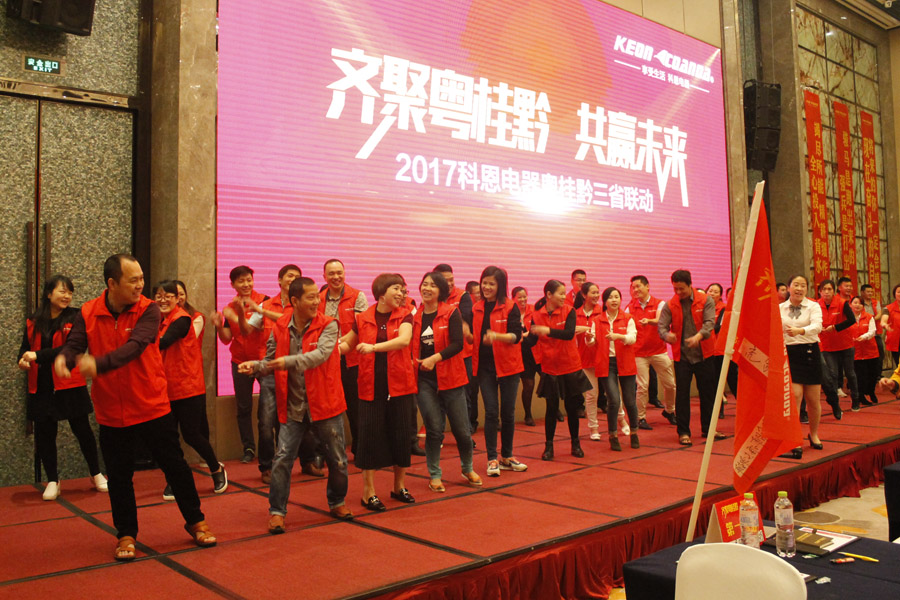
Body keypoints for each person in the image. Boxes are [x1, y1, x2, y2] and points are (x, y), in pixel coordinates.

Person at [55, 254, 215, 561]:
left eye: (141, 278)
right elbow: (75, 344)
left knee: (175, 467)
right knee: (118, 477)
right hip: (111, 411)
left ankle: (196, 521)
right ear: (112, 283)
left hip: (151, 404)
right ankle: (126, 534)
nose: (141, 285)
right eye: (133, 280)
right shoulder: (88, 312)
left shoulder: (148, 309)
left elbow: (135, 347)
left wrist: (98, 364)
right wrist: (64, 358)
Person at [238, 277, 353, 531]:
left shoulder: (329, 325)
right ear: (294, 301)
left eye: (317, 298)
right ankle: (277, 511)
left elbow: (319, 356)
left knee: (338, 460)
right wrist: (255, 366)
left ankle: (337, 501)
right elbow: (270, 359)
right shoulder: (280, 325)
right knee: (282, 459)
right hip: (293, 406)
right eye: (311, 298)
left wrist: (287, 361)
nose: (316, 302)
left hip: (326, 403)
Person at [18, 275, 107, 500]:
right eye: (62, 291)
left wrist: (37, 355)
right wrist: (23, 360)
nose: (67, 296)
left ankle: (96, 473)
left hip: (69, 382)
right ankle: (53, 480)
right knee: (45, 434)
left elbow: (70, 349)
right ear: (49, 294)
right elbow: (25, 350)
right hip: (41, 386)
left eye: (70, 292)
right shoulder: (33, 321)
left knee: (83, 430)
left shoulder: (76, 317)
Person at [340, 273, 417, 511]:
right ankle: (368, 493)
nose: (401, 293)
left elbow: (404, 341)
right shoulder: (362, 318)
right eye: (396, 289)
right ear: (382, 293)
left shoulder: (405, 315)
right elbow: (348, 344)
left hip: (400, 386)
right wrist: (329, 348)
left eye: (402, 289)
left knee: (402, 436)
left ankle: (399, 486)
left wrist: (373, 347)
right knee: (370, 438)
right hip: (370, 387)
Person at [249, 265, 324, 478]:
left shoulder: (302, 306)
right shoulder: (265, 304)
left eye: (297, 277)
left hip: (297, 372)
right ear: (280, 280)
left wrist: (262, 312)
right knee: (266, 422)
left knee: (304, 419)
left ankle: (307, 461)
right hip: (272, 370)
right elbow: (248, 329)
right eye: (290, 276)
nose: (293, 280)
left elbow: (284, 320)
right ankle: (266, 467)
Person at [154, 280, 227, 499]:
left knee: (192, 435)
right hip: (164, 388)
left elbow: (164, 342)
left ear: (177, 299)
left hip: (188, 387)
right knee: (168, 439)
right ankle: (174, 479)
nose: (163, 300)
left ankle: (216, 468)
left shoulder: (183, 318)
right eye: (159, 296)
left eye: (168, 296)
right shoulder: (157, 320)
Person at [412, 272, 482, 492]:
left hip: (451, 379)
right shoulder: (414, 316)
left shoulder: (451, 312)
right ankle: (434, 474)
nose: (427, 288)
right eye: (424, 284)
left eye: (433, 285)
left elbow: (458, 344)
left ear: (441, 291)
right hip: (424, 381)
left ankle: (467, 468)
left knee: (462, 431)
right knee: (434, 430)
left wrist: (435, 358)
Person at [213, 265, 275, 474]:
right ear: (232, 285)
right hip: (239, 361)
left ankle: (273, 449)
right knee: (243, 407)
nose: (246, 284)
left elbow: (252, 329)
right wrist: (219, 325)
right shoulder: (230, 307)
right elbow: (226, 339)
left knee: (268, 409)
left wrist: (237, 315)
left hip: (263, 360)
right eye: (241, 281)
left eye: (249, 279)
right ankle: (248, 447)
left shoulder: (264, 301)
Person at [472, 266, 527, 476]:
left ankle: (507, 456)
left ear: (500, 286)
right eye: (484, 282)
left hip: (509, 366)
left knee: (508, 413)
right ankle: (492, 458)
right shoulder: (476, 308)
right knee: (491, 412)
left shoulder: (510, 307)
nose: (486, 287)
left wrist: (496, 336)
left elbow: (516, 336)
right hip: (484, 368)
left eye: (491, 284)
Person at [529, 280, 591, 460]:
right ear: (549, 295)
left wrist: (546, 330)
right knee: (551, 409)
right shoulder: (536, 315)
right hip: (550, 368)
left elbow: (569, 334)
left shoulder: (569, 311)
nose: (565, 296)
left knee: (572, 408)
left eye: (565, 293)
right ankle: (548, 447)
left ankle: (575, 444)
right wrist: (514, 337)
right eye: (561, 293)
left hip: (570, 366)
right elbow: (532, 340)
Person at [658, 269, 720, 446]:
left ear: (690, 285)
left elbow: (710, 323)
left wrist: (698, 337)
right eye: (675, 289)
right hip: (682, 357)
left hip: (705, 355)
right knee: (682, 396)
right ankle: (683, 432)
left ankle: (709, 429)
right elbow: (662, 327)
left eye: (681, 289)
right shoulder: (670, 304)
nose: (678, 292)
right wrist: (667, 336)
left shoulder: (705, 300)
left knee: (708, 394)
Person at [320, 259, 368, 458]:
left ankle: (361, 449)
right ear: (324, 276)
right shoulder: (318, 299)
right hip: (325, 361)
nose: (336, 277)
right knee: (327, 408)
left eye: (339, 272)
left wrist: (338, 345)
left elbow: (360, 328)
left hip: (351, 361)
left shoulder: (357, 296)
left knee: (355, 407)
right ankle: (327, 453)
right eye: (331, 273)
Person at [780, 274, 825, 459]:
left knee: (813, 399)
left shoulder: (813, 306)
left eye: (803, 285)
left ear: (807, 288)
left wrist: (801, 330)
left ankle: (813, 434)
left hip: (810, 352)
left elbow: (818, 326)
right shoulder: (780, 308)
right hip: (789, 354)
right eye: (796, 285)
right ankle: (794, 439)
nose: (799, 289)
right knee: (795, 396)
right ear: (788, 287)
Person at [627, 275, 677, 427]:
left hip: (659, 351)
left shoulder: (660, 303)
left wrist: (648, 321)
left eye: (638, 286)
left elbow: (661, 321)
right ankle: (640, 418)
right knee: (642, 387)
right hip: (639, 353)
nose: (635, 290)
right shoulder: (629, 307)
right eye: (633, 287)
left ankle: (670, 411)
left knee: (670, 384)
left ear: (647, 286)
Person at [593, 287, 639, 451]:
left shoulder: (628, 318)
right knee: (613, 400)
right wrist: (589, 338)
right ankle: (612, 435)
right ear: (605, 301)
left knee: (630, 401)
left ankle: (634, 432)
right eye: (611, 297)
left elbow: (632, 338)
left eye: (617, 297)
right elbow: (591, 342)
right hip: (607, 363)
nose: (614, 300)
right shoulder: (597, 320)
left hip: (625, 361)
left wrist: (619, 337)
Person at [435, 264, 478, 436]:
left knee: (464, 395)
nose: (449, 283)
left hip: (463, 354)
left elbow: (466, 319)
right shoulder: (432, 299)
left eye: (451, 279)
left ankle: (466, 432)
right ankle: (438, 435)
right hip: (439, 355)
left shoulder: (462, 296)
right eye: (445, 280)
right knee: (439, 396)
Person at [818, 279, 857, 413]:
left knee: (850, 373)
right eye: (824, 289)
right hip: (827, 345)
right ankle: (836, 404)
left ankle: (855, 400)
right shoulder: (816, 305)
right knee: (832, 374)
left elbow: (852, 320)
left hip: (845, 344)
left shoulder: (842, 303)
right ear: (820, 292)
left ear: (834, 291)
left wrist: (835, 327)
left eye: (829, 289)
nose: (827, 292)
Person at [574, 282, 603, 439]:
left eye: (598, 292)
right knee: (591, 396)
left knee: (613, 395)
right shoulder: (575, 313)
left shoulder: (603, 312)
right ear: (584, 295)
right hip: (584, 359)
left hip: (603, 358)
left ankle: (622, 421)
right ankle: (593, 429)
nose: (596, 295)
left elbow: (605, 331)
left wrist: (586, 329)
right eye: (593, 292)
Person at [512, 286, 538, 426]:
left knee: (548, 381)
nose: (523, 299)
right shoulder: (511, 313)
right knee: (527, 385)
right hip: (519, 353)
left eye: (525, 296)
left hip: (535, 351)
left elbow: (535, 330)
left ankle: (555, 410)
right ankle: (527, 415)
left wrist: (524, 335)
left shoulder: (533, 310)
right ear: (513, 299)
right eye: (519, 297)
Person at [850, 295, 880, 407]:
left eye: (860, 303)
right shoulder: (847, 318)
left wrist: (864, 337)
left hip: (870, 351)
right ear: (850, 305)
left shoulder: (869, 317)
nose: (857, 305)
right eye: (855, 303)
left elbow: (872, 331)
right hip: (856, 352)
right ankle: (861, 396)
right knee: (860, 376)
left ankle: (871, 391)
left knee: (873, 375)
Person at [173, 280, 206, 347]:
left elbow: (189, 340)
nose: (179, 298)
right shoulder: (163, 316)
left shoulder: (196, 317)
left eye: (181, 294)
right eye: (175, 295)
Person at [860, 283, 885, 364]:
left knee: (880, 351)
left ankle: (878, 370)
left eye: (871, 292)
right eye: (868, 292)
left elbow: (879, 314)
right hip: (863, 332)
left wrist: (870, 320)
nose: (870, 293)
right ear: (862, 292)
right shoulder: (859, 303)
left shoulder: (875, 302)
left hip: (876, 332)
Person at [880, 284, 900, 366]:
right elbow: (883, 321)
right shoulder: (888, 308)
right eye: (899, 292)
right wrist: (885, 324)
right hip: (895, 341)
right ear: (894, 294)